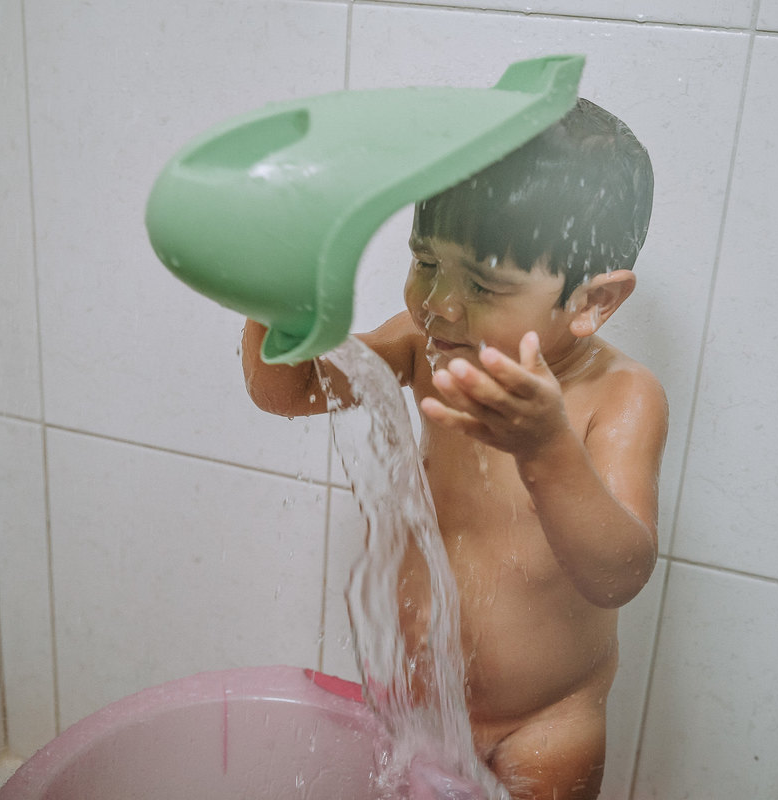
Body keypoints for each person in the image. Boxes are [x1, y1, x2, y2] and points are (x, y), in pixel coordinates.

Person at [242, 97, 666, 800]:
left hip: (546, 725)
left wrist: (546, 450)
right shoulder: (423, 350)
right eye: (425, 262)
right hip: (416, 712)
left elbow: (618, 573)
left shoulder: (621, 397)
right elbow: (289, 391)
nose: (437, 302)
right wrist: (267, 293)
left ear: (593, 302)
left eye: (481, 283)